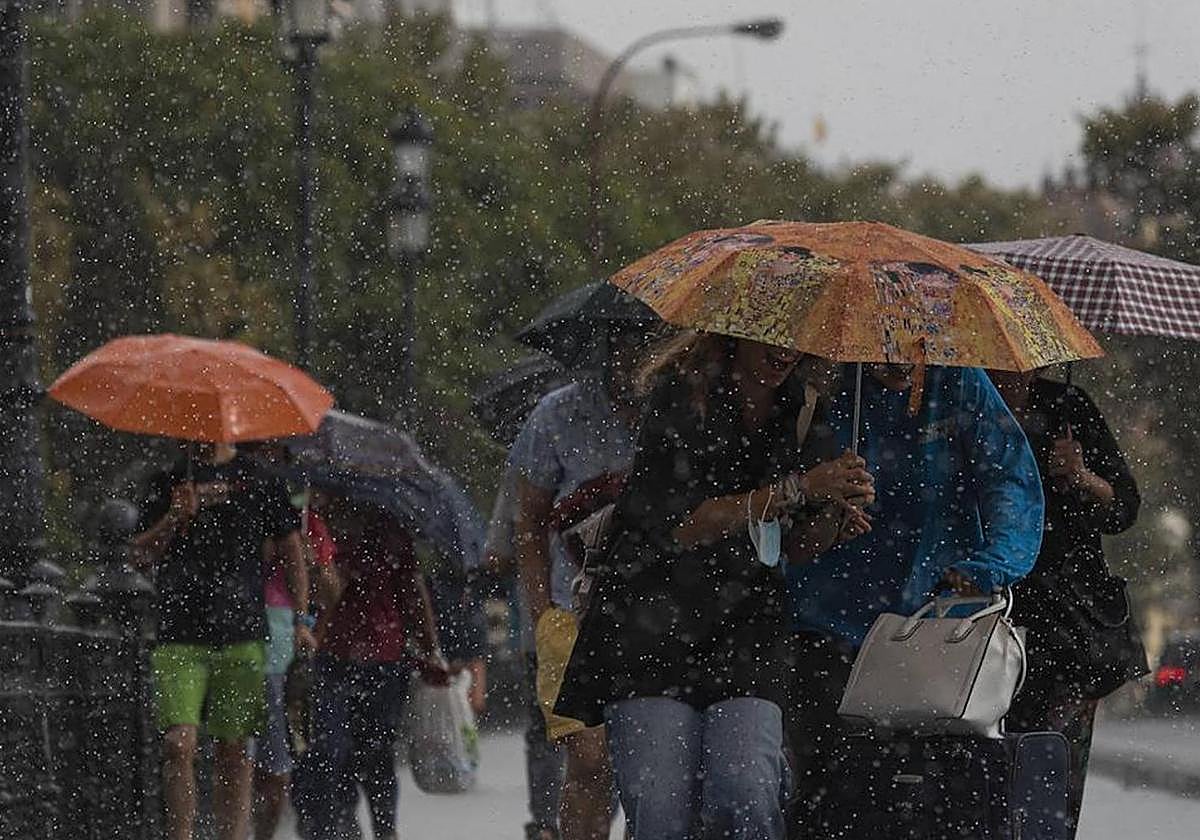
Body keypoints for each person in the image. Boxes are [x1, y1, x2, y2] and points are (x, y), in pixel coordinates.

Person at [554, 332, 874, 840]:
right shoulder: (681, 393)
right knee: (661, 810)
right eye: (771, 330)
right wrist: (799, 489)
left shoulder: (806, 407)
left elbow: (787, 546)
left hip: (747, 623)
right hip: (650, 621)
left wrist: (833, 520)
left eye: (794, 335)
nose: (784, 349)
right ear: (738, 327)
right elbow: (681, 525)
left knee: (744, 790)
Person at [784, 363, 1044, 839]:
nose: (899, 359)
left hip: (938, 624)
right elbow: (788, 503)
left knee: (939, 790)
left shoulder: (960, 381)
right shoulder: (826, 383)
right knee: (830, 788)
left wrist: (991, 564)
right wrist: (825, 498)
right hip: (832, 622)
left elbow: (1009, 478)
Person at [989, 369, 1145, 834]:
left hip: (1067, 625)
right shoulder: (957, 402)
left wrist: (1080, 477)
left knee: (1050, 774)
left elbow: (1123, 507)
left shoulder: (1068, 408)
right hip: (984, 615)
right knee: (985, 773)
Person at [510, 325, 651, 840]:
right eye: (630, 343)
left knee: (642, 766)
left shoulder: (681, 411)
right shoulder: (558, 415)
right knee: (589, 759)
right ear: (610, 348)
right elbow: (527, 520)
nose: (638, 357)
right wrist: (542, 609)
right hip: (572, 615)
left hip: (654, 615)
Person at [133, 442, 313, 840]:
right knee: (179, 744)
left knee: (234, 751)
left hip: (241, 634)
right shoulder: (168, 480)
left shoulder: (258, 479)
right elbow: (139, 556)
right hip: (179, 635)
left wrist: (301, 619)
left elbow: (291, 550)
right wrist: (174, 516)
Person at [291, 499, 444, 840]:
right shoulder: (312, 529)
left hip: (383, 658)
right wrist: (316, 565)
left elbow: (410, 587)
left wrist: (430, 643)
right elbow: (317, 593)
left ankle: (384, 828)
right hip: (332, 653)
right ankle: (343, 823)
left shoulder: (388, 529)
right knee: (333, 747)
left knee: (376, 751)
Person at [484, 466, 568, 840]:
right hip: (611, 624)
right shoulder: (628, 445)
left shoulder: (524, 466)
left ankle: (548, 822)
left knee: (545, 727)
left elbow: (498, 553)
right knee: (608, 728)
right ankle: (591, 817)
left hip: (544, 623)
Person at [253, 502, 338, 840]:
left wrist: (310, 562)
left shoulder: (308, 524)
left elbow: (331, 592)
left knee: (282, 760)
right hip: (237, 632)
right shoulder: (236, 504)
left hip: (281, 645)